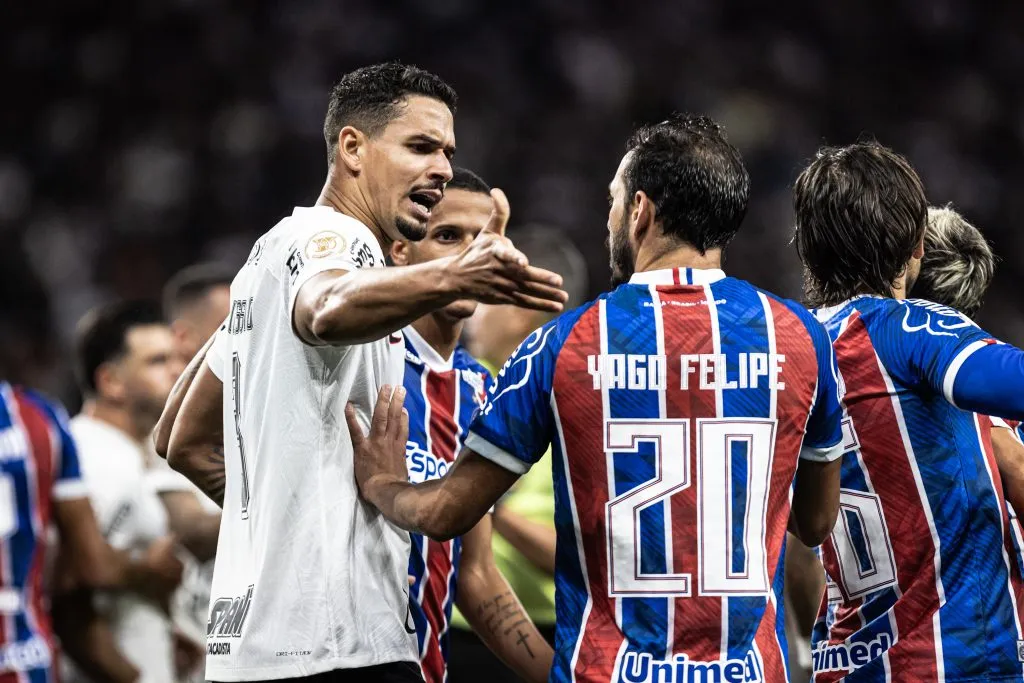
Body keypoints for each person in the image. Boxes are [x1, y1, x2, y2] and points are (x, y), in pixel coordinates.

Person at [349, 113, 846, 682]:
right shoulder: (801, 339)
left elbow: (442, 514)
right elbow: (814, 522)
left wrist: (383, 484)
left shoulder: (564, 344)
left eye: (613, 201)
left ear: (640, 213)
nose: (607, 216)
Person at [155, 62, 567, 682]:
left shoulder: (268, 261)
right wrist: (456, 276)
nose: (443, 168)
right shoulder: (337, 241)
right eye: (421, 146)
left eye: (448, 152)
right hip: (337, 648)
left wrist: (290, 530)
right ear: (352, 147)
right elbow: (328, 308)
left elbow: (178, 440)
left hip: (259, 650)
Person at [792, 142, 1024, 681]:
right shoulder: (909, 329)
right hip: (956, 659)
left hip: (842, 659)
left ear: (806, 249)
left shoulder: (788, 350)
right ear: (915, 249)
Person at [390, 167, 553, 682]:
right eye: (446, 236)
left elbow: (476, 575)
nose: (468, 255)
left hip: (432, 668)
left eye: (481, 240)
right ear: (401, 253)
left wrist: (560, 675)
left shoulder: (479, 389)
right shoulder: (365, 363)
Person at [449, 225, 588, 683]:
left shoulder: (579, 410)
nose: (472, 313)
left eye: (488, 297)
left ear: (527, 308)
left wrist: (485, 504)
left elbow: (582, 560)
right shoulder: (457, 388)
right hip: (460, 629)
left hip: (552, 629)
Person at [65, 301, 185, 683]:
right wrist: (131, 677)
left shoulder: (145, 449)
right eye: (157, 361)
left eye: (177, 358)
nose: (177, 371)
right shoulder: (89, 458)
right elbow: (66, 589)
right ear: (111, 382)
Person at [158, 263, 233, 680]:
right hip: (193, 656)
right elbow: (195, 535)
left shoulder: (248, 412)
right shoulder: (165, 422)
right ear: (184, 338)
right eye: (234, 323)